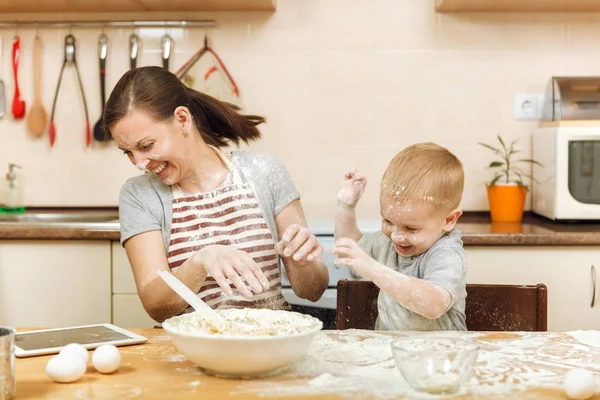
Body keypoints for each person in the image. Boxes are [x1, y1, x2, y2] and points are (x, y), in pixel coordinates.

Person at [103, 66, 328, 323]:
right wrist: (199, 263)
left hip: (270, 342)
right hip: (193, 348)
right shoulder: (140, 195)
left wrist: (301, 261)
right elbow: (156, 306)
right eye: (128, 152)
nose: (139, 163)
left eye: (146, 146)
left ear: (183, 120)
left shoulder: (265, 172)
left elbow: (313, 291)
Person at [332, 142, 467, 331]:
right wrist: (346, 207)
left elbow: (433, 305)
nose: (396, 236)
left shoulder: (446, 253)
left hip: (441, 355)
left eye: (411, 228)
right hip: (391, 352)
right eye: (387, 221)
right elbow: (347, 251)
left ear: (449, 220)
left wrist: (372, 268)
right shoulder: (387, 242)